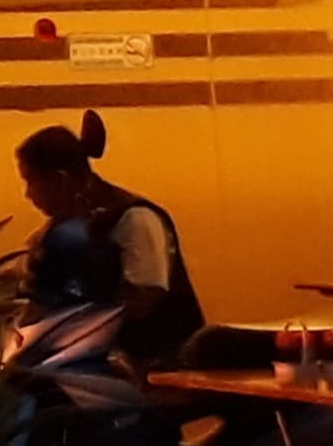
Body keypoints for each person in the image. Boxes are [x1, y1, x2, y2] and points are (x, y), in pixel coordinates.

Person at [17, 110, 204, 367]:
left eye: (31, 181)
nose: (28, 194)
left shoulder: (134, 219)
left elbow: (141, 301)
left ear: (60, 180)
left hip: (157, 366)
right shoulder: (52, 233)